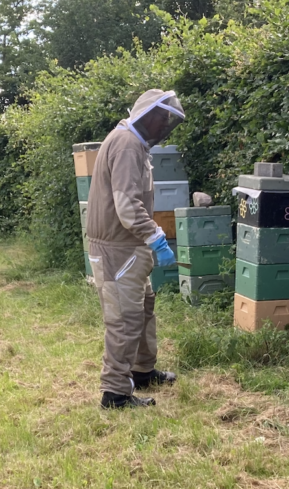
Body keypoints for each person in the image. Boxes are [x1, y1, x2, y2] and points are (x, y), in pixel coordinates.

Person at [86, 89, 185, 409]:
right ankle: (115, 393)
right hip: (118, 249)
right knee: (124, 320)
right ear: (149, 115)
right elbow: (128, 207)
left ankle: (142, 371)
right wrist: (155, 236)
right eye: (163, 120)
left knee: (143, 308)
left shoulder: (131, 142)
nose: (165, 126)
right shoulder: (127, 145)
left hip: (127, 247)